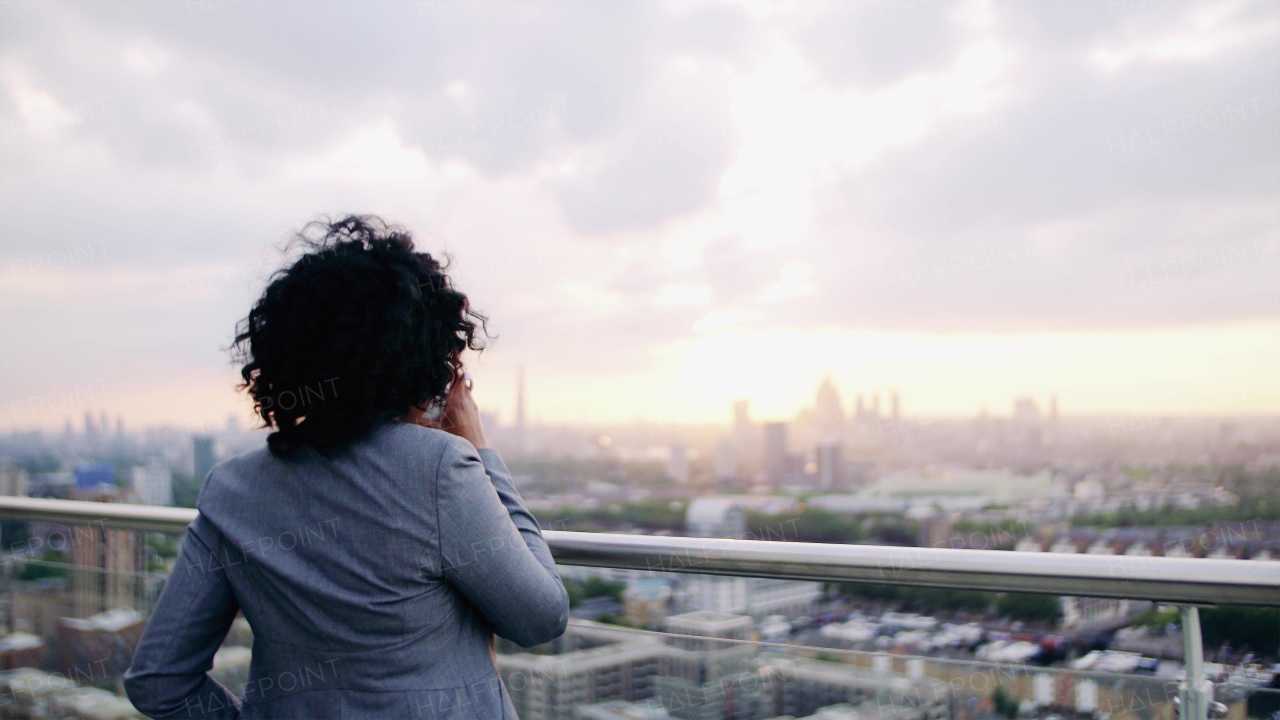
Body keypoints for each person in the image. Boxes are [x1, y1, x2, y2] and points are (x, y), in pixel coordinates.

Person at [124, 215, 569, 719]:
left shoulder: (232, 489)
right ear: (420, 356)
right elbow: (541, 618)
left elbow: (159, 680)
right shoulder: (439, 468)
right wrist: (483, 453)